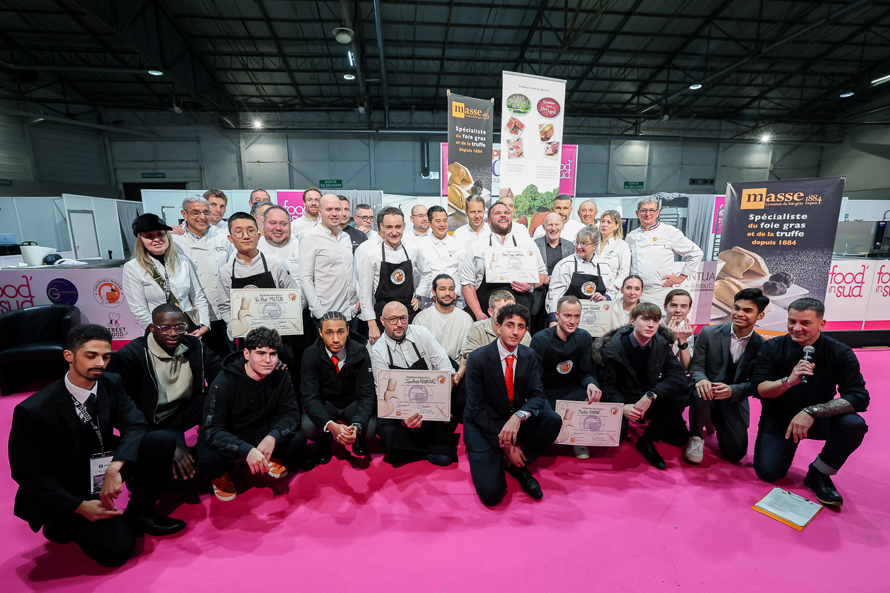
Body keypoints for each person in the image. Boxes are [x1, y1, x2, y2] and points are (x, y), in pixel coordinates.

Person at [9, 325, 186, 567]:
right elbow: (26, 472)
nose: (101, 363)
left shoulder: (112, 383)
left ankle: (139, 513)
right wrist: (79, 506)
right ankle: (60, 523)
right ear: (69, 356)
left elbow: (136, 425)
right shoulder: (33, 409)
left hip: (101, 463)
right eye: (91, 356)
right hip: (65, 484)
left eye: (106, 356)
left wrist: (115, 467)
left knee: (161, 440)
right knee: (118, 551)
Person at [750, 298, 869, 506]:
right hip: (779, 418)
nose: (796, 328)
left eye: (805, 323)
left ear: (821, 324)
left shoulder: (840, 352)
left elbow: (859, 397)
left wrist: (812, 411)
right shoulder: (772, 347)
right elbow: (760, 389)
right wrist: (788, 381)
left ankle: (819, 473)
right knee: (768, 473)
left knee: (854, 424)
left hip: (817, 418)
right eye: (791, 322)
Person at [106, 304, 223, 482]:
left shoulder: (194, 345)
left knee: (219, 399)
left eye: (179, 327)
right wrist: (168, 447)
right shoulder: (129, 356)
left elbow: (222, 374)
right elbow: (124, 410)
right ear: (152, 328)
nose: (173, 333)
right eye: (165, 327)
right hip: (154, 420)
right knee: (178, 482)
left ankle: (206, 449)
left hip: (186, 408)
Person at [464, 304, 562, 505]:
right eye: (510, 325)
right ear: (498, 327)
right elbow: (476, 409)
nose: (515, 331)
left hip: (512, 417)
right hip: (484, 424)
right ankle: (507, 458)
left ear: (526, 330)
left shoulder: (529, 355)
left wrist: (519, 416)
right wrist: (508, 447)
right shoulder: (478, 358)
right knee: (492, 496)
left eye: (521, 326)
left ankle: (519, 466)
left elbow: (537, 395)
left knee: (552, 419)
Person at [198, 327, 308, 502]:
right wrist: (245, 449)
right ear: (247, 354)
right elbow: (210, 429)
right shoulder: (224, 382)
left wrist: (272, 437)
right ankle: (220, 477)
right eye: (261, 353)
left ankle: (269, 456)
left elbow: (291, 413)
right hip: (232, 434)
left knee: (298, 439)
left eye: (273, 354)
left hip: (261, 431)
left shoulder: (281, 375)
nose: (267, 360)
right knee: (208, 458)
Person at [593, 302, 690, 470]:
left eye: (655, 320)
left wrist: (651, 395)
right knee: (619, 436)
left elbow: (678, 377)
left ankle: (647, 440)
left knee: (680, 432)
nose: (651, 325)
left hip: (648, 399)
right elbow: (606, 385)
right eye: (645, 319)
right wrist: (622, 407)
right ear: (632, 321)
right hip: (624, 400)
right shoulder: (612, 348)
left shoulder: (660, 344)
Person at [685, 288, 768, 465]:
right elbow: (697, 365)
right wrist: (701, 379)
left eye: (747, 311)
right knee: (701, 393)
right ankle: (696, 436)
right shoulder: (708, 333)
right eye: (736, 308)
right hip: (705, 391)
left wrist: (733, 390)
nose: (739, 314)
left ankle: (711, 417)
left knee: (736, 453)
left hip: (732, 399)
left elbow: (757, 383)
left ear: (760, 316)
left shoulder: (763, 346)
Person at [370, 301, 457, 466]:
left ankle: (411, 451)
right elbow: (382, 394)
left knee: (444, 459)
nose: (399, 324)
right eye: (393, 320)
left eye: (403, 318)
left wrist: (442, 408)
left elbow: (445, 369)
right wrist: (404, 418)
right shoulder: (378, 351)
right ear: (382, 321)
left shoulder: (421, 333)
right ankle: (420, 448)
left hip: (430, 401)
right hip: (401, 409)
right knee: (386, 431)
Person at [529, 296, 602, 459]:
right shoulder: (540, 339)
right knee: (548, 417)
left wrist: (591, 384)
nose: (572, 321)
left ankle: (577, 439)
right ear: (556, 315)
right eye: (567, 315)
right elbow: (534, 379)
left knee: (593, 396)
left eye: (576, 316)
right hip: (545, 389)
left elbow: (586, 372)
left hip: (570, 388)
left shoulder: (584, 337)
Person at [301, 311, 375, 463]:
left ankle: (358, 438)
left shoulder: (360, 351)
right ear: (320, 333)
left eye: (340, 332)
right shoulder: (310, 354)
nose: (335, 339)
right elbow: (310, 397)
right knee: (308, 426)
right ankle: (325, 441)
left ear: (348, 331)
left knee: (371, 427)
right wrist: (330, 425)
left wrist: (356, 425)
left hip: (351, 402)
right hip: (326, 403)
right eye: (329, 332)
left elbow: (367, 394)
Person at [123, 213, 211, 338]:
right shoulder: (133, 267)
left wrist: (203, 325)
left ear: (167, 235)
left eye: (160, 234)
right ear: (141, 241)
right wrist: (162, 332)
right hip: (157, 334)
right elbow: (139, 310)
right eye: (149, 236)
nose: (157, 239)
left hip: (189, 331)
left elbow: (198, 296)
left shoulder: (183, 261)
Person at [218, 212, 298, 344]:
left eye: (251, 231)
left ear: (258, 235)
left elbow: (294, 297)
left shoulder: (276, 264)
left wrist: (285, 325)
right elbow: (225, 307)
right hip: (245, 339)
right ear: (230, 238)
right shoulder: (226, 272)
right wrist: (237, 328)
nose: (246, 236)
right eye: (238, 232)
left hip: (278, 338)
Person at [356, 207, 432, 344]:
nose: (394, 232)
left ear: (404, 226)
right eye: (389, 227)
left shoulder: (413, 249)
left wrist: (419, 295)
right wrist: (371, 324)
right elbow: (365, 294)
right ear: (382, 227)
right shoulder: (372, 254)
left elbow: (427, 273)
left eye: (398, 227)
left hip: (407, 313)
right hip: (382, 315)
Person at [170, 196, 234, 357]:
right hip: (190, 316)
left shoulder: (222, 239)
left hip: (220, 312)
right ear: (184, 214)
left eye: (206, 212)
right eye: (195, 212)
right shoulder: (174, 240)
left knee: (223, 358)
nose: (202, 217)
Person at [461, 201, 545, 319]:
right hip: (487, 313)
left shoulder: (527, 242)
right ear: (489, 222)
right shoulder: (476, 246)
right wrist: (478, 313)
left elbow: (542, 272)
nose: (503, 215)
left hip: (520, 313)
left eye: (506, 212)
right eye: (498, 213)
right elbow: (467, 283)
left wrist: (530, 285)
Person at [413, 274, 474, 416]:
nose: (447, 293)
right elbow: (419, 355)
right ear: (434, 292)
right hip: (429, 374)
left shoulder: (465, 318)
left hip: (456, 371)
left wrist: (458, 375)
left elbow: (467, 352)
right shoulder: (422, 318)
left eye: (451, 289)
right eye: (442, 289)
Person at [625, 196, 703, 306]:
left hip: (660, 292)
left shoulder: (669, 232)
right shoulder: (631, 236)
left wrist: (681, 277)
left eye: (652, 210)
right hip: (635, 294)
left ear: (658, 213)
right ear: (637, 213)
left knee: (660, 322)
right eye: (644, 210)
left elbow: (696, 253)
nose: (648, 214)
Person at [299, 194, 358, 325]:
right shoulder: (309, 238)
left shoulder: (346, 237)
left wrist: (357, 296)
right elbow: (305, 278)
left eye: (337, 209)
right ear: (320, 212)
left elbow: (351, 271)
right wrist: (319, 312)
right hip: (326, 314)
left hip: (350, 311)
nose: (334, 213)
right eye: (329, 209)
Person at [546, 226, 614, 324]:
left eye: (583, 243)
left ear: (595, 245)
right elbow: (554, 295)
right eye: (577, 242)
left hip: (595, 322)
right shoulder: (565, 265)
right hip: (569, 321)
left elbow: (612, 290)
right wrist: (553, 318)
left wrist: (606, 297)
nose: (578, 247)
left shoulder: (604, 266)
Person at [417, 205, 467, 309]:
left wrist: (455, 294)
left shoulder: (457, 243)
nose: (442, 224)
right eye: (438, 221)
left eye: (445, 220)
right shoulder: (421, 245)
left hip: (455, 301)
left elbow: (462, 272)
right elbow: (419, 275)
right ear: (429, 224)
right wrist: (434, 296)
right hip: (430, 302)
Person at [531, 212, 574, 331]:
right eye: (550, 225)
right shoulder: (533, 244)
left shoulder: (570, 246)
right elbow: (527, 270)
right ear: (544, 227)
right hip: (538, 297)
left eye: (557, 224)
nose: (553, 228)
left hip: (561, 298)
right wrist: (543, 279)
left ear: (562, 226)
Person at [597, 209, 631, 295]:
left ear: (616, 226)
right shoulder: (594, 243)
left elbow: (624, 272)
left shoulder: (621, 245)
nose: (604, 225)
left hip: (612, 292)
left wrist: (613, 289)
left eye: (609, 222)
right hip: (593, 289)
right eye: (603, 221)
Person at [663, 289, 695, 371]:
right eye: (673, 305)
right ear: (665, 307)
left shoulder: (686, 331)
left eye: (683, 306)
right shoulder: (653, 327)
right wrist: (668, 339)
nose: (678, 310)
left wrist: (683, 341)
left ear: (689, 309)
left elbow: (686, 367)